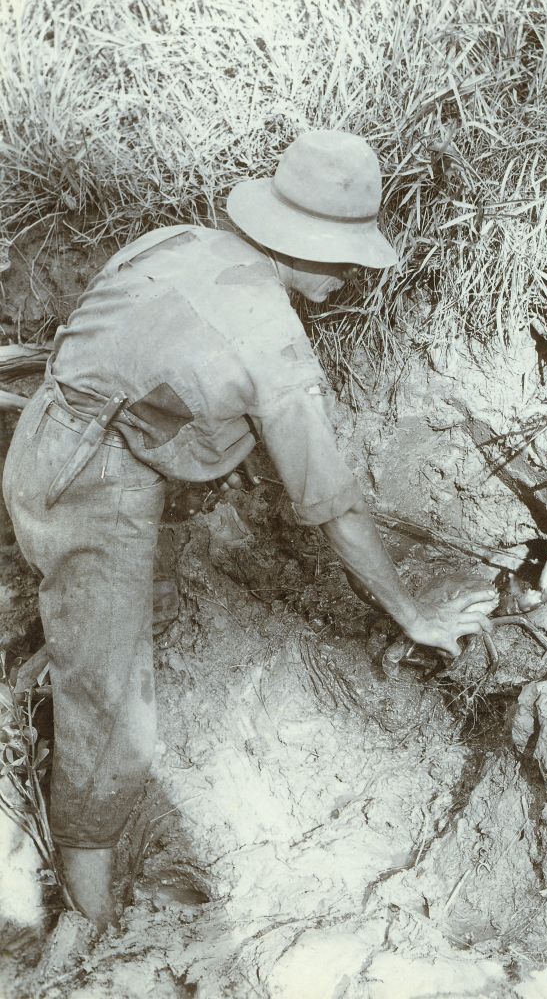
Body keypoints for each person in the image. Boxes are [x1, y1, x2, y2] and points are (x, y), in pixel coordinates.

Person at [2, 130, 495, 931]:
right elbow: (332, 507)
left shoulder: (177, 240)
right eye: (342, 260)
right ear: (298, 244)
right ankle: (87, 910)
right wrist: (412, 612)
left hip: (43, 439)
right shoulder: (273, 344)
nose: (349, 277)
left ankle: (52, 669)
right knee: (115, 705)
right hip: (92, 487)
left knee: (95, 634)